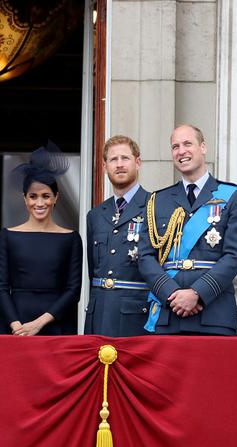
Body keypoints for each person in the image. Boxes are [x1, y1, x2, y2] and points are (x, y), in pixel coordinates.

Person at [138, 124, 237, 335]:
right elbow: (145, 257)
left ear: (203, 147)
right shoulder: (157, 201)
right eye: (175, 146)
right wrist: (171, 293)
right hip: (168, 312)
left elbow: (234, 256)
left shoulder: (234, 196)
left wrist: (197, 293)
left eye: (187, 144)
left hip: (214, 313)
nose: (181, 151)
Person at [0, 145, 83, 335]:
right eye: (33, 196)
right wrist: (17, 326)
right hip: (15, 325)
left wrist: (39, 324)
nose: (40, 203)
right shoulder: (7, 236)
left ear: (56, 197)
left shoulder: (71, 238)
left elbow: (73, 290)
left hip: (56, 325)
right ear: (25, 199)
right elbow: (0, 288)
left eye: (46, 196)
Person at [85, 135, 151, 336]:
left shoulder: (154, 207)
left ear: (137, 162)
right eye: (113, 159)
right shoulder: (95, 215)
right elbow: (92, 271)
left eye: (125, 158)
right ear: (105, 167)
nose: (119, 165)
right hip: (99, 315)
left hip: (136, 317)